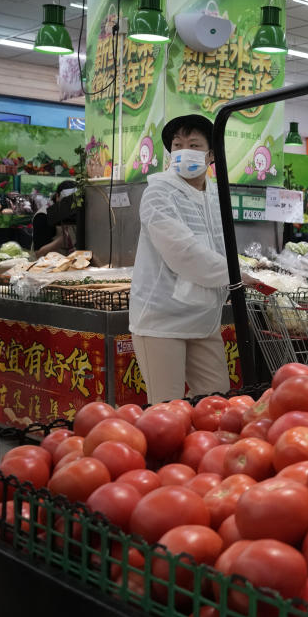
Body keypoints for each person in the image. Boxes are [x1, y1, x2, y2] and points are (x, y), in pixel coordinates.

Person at [129, 114, 235, 404]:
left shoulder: (216, 195)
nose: (183, 151)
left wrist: (242, 267)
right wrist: (236, 274)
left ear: (211, 155)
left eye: (193, 144)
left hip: (203, 318)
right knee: (167, 412)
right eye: (177, 145)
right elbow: (183, 253)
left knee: (217, 403)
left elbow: (220, 245)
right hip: (161, 320)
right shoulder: (158, 193)